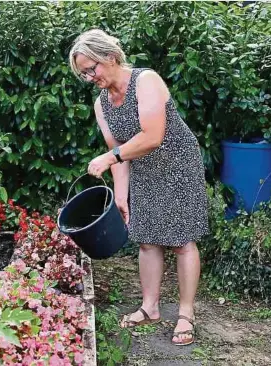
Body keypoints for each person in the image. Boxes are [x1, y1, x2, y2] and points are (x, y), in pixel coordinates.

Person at [69, 29, 209, 346]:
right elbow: (119, 152)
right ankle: (150, 306)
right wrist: (120, 196)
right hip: (144, 168)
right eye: (84, 73)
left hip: (178, 163)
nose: (90, 77)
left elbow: (152, 136)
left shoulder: (145, 81)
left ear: (111, 57)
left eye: (92, 68)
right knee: (145, 238)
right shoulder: (101, 105)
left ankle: (186, 313)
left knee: (182, 240)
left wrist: (109, 156)